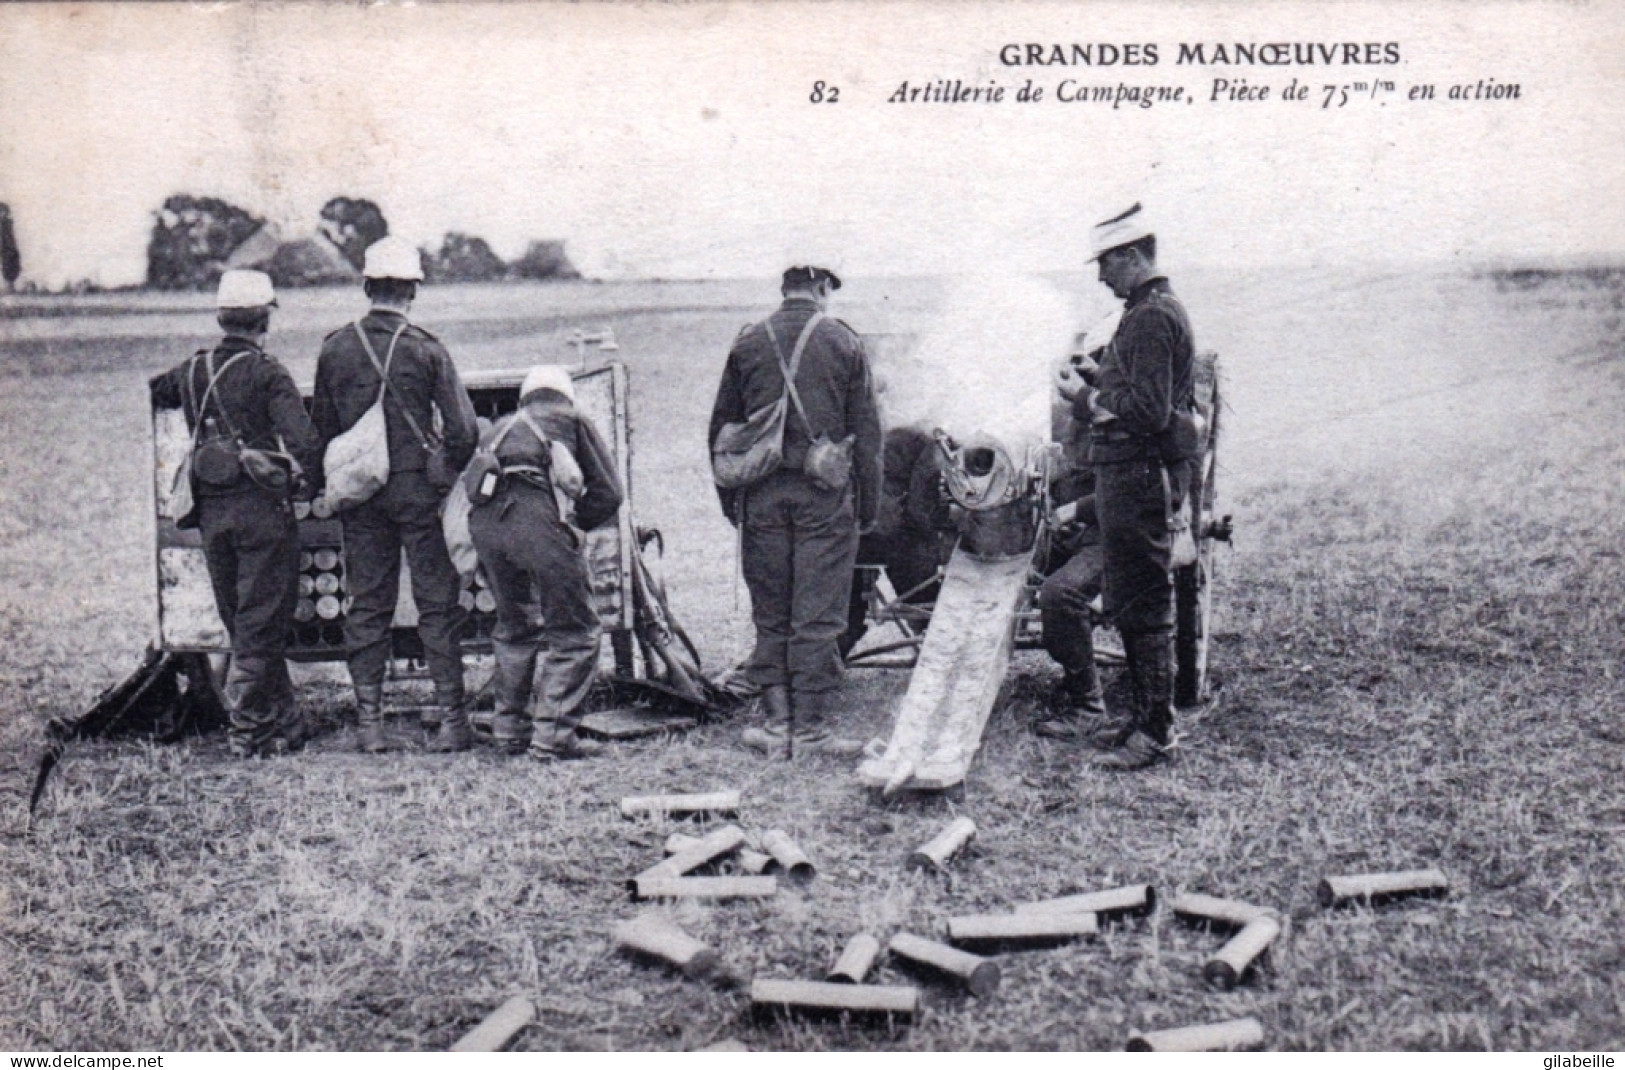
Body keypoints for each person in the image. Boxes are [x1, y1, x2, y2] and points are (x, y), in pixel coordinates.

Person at [311, 236, 479, 754]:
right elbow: (465, 430)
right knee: (436, 603)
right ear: (413, 290)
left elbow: (322, 431)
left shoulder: (335, 348)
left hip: (362, 496)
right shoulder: (426, 348)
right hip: (418, 494)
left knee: (367, 604)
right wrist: (442, 473)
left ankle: (370, 725)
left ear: (366, 286)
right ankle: (453, 722)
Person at [709, 265, 883, 758]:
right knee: (817, 613)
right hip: (824, 499)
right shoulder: (843, 341)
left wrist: (732, 505)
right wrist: (866, 507)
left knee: (772, 610)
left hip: (760, 497)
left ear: (784, 289)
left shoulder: (748, 342)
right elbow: (867, 432)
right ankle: (809, 733)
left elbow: (721, 432)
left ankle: (776, 727)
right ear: (823, 289)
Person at [150, 269, 322, 758]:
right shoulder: (268, 373)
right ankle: (248, 733)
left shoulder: (192, 370)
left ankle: (285, 720)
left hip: (210, 516)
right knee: (260, 623)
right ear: (264, 318)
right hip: (263, 514)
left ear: (222, 318)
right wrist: (307, 482)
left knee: (243, 621)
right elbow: (305, 441)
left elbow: (157, 390)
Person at [1066, 203, 1197, 771]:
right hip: (1131, 474)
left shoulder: (1149, 317)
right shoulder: (1151, 311)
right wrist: (1102, 378)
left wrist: (1087, 398)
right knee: (1133, 597)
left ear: (1133, 256)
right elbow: (1146, 393)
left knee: (1146, 599)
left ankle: (1157, 730)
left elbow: (1146, 411)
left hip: (1139, 475)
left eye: (1107, 264)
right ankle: (1144, 717)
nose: (1101, 276)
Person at [467, 365, 624, 760]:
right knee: (577, 632)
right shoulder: (570, 420)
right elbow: (609, 493)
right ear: (565, 396)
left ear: (525, 397)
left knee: (515, 627)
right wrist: (575, 526)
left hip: (488, 530)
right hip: (538, 523)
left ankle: (509, 731)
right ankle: (552, 737)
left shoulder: (497, 429)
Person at [839, 425, 953, 659]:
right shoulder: (925, 439)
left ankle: (837, 648)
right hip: (892, 536)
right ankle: (938, 646)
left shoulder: (861, 426)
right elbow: (920, 510)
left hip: (849, 531)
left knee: (848, 601)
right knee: (921, 589)